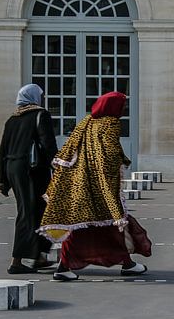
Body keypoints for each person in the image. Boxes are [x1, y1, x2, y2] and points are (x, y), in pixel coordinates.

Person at [39, 91, 151, 281]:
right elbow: (107, 157)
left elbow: (69, 151)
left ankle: (127, 263)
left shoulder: (87, 122)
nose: (124, 109)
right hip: (96, 186)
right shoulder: (110, 124)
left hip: (79, 183)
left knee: (89, 227)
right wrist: (117, 171)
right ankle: (65, 266)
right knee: (105, 225)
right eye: (122, 105)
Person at [0, 83, 58, 274]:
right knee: (29, 212)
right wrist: (59, 168)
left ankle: (39, 257)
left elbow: (3, 150)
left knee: (40, 210)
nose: (43, 99)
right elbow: (48, 144)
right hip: (32, 170)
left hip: (14, 169)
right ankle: (16, 261)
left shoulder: (12, 119)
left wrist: (2, 179)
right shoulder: (41, 115)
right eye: (42, 95)